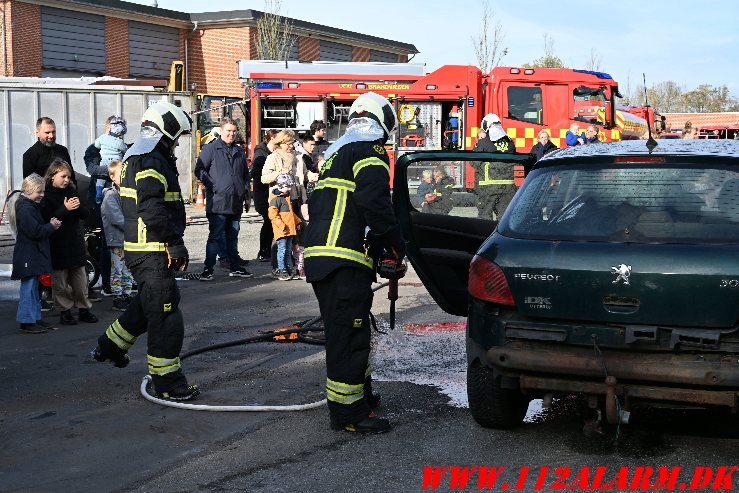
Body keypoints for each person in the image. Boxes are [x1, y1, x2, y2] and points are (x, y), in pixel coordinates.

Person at [304, 92, 406, 434]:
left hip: (326, 257)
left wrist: (377, 251)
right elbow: (374, 203)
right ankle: (349, 414)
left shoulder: (337, 153)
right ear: (383, 123)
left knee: (354, 330)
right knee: (348, 335)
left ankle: (359, 396)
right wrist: (394, 244)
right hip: (343, 259)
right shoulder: (370, 150)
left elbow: (353, 208)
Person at [90, 100, 200, 402]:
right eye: (175, 139)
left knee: (152, 302)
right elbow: (151, 208)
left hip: (144, 249)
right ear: (166, 133)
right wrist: (173, 243)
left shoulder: (138, 155)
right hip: (152, 248)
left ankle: (110, 345)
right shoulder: (150, 160)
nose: (176, 145)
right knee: (165, 315)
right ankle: (168, 382)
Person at [41, 159, 98, 326]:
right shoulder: (46, 195)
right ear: (52, 176)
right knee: (60, 283)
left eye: (68, 176)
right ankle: (65, 311)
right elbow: (48, 219)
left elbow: (85, 213)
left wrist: (77, 207)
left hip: (74, 243)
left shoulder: (72, 191)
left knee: (81, 282)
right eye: (63, 176)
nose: (66, 180)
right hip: (57, 244)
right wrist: (64, 210)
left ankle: (84, 309)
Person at [195, 117, 253, 281]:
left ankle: (235, 267)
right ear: (221, 131)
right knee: (215, 237)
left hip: (235, 203)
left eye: (234, 131)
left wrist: (246, 195)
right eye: (228, 131)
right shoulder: (211, 149)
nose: (231, 134)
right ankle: (208, 269)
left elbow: (245, 175)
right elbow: (199, 170)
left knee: (232, 237)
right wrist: (212, 185)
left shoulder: (239, 151)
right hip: (218, 203)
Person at [11, 173, 61, 333]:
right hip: (29, 255)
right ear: (28, 190)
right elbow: (35, 231)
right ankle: (27, 321)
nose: (42, 195)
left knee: (33, 288)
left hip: (30, 255)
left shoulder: (27, 206)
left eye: (43, 192)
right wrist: (51, 226)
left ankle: (34, 318)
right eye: (39, 192)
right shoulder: (25, 208)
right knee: (29, 289)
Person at [101, 160, 133, 311]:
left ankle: (127, 293)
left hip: (128, 239)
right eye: (122, 175)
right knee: (117, 269)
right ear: (112, 177)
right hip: (117, 240)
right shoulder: (110, 196)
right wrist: (134, 225)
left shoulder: (127, 193)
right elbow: (116, 218)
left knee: (128, 268)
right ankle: (118, 296)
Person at [472, 113, 517, 219]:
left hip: (488, 187)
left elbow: (474, 162)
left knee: (485, 217)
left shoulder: (483, 143)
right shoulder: (510, 142)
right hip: (508, 187)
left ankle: (485, 236)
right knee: (504, 218)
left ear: (486, 126)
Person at [250, 129, 278, 262]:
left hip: (272, 194)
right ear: (272, 138)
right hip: (262, 194)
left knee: (272, 222)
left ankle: (268, 250)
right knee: (268, 221)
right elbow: (255, 173)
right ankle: (263, 251)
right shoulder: (260, 153)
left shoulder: (276, 152)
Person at [269, 173, 301, 281]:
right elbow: (273, 215)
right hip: (282, 231)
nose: (290, 188)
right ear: (282, 186)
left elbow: (291, 214)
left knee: (287, 251)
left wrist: (298, 222)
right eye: (288, 186)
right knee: (282, 250)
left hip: (290, 229)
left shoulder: (286, 198)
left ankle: (288, 269)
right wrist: (281, 225)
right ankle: (281, 269)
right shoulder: (276, 199)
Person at [94, 115, 128, 204]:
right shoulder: (120, 142)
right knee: (116, 179)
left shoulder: (102, 137)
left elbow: (96, 145)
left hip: (104, 163)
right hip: (116, 163)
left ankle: (98, 194)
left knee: (100, 180)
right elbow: (126, 150)